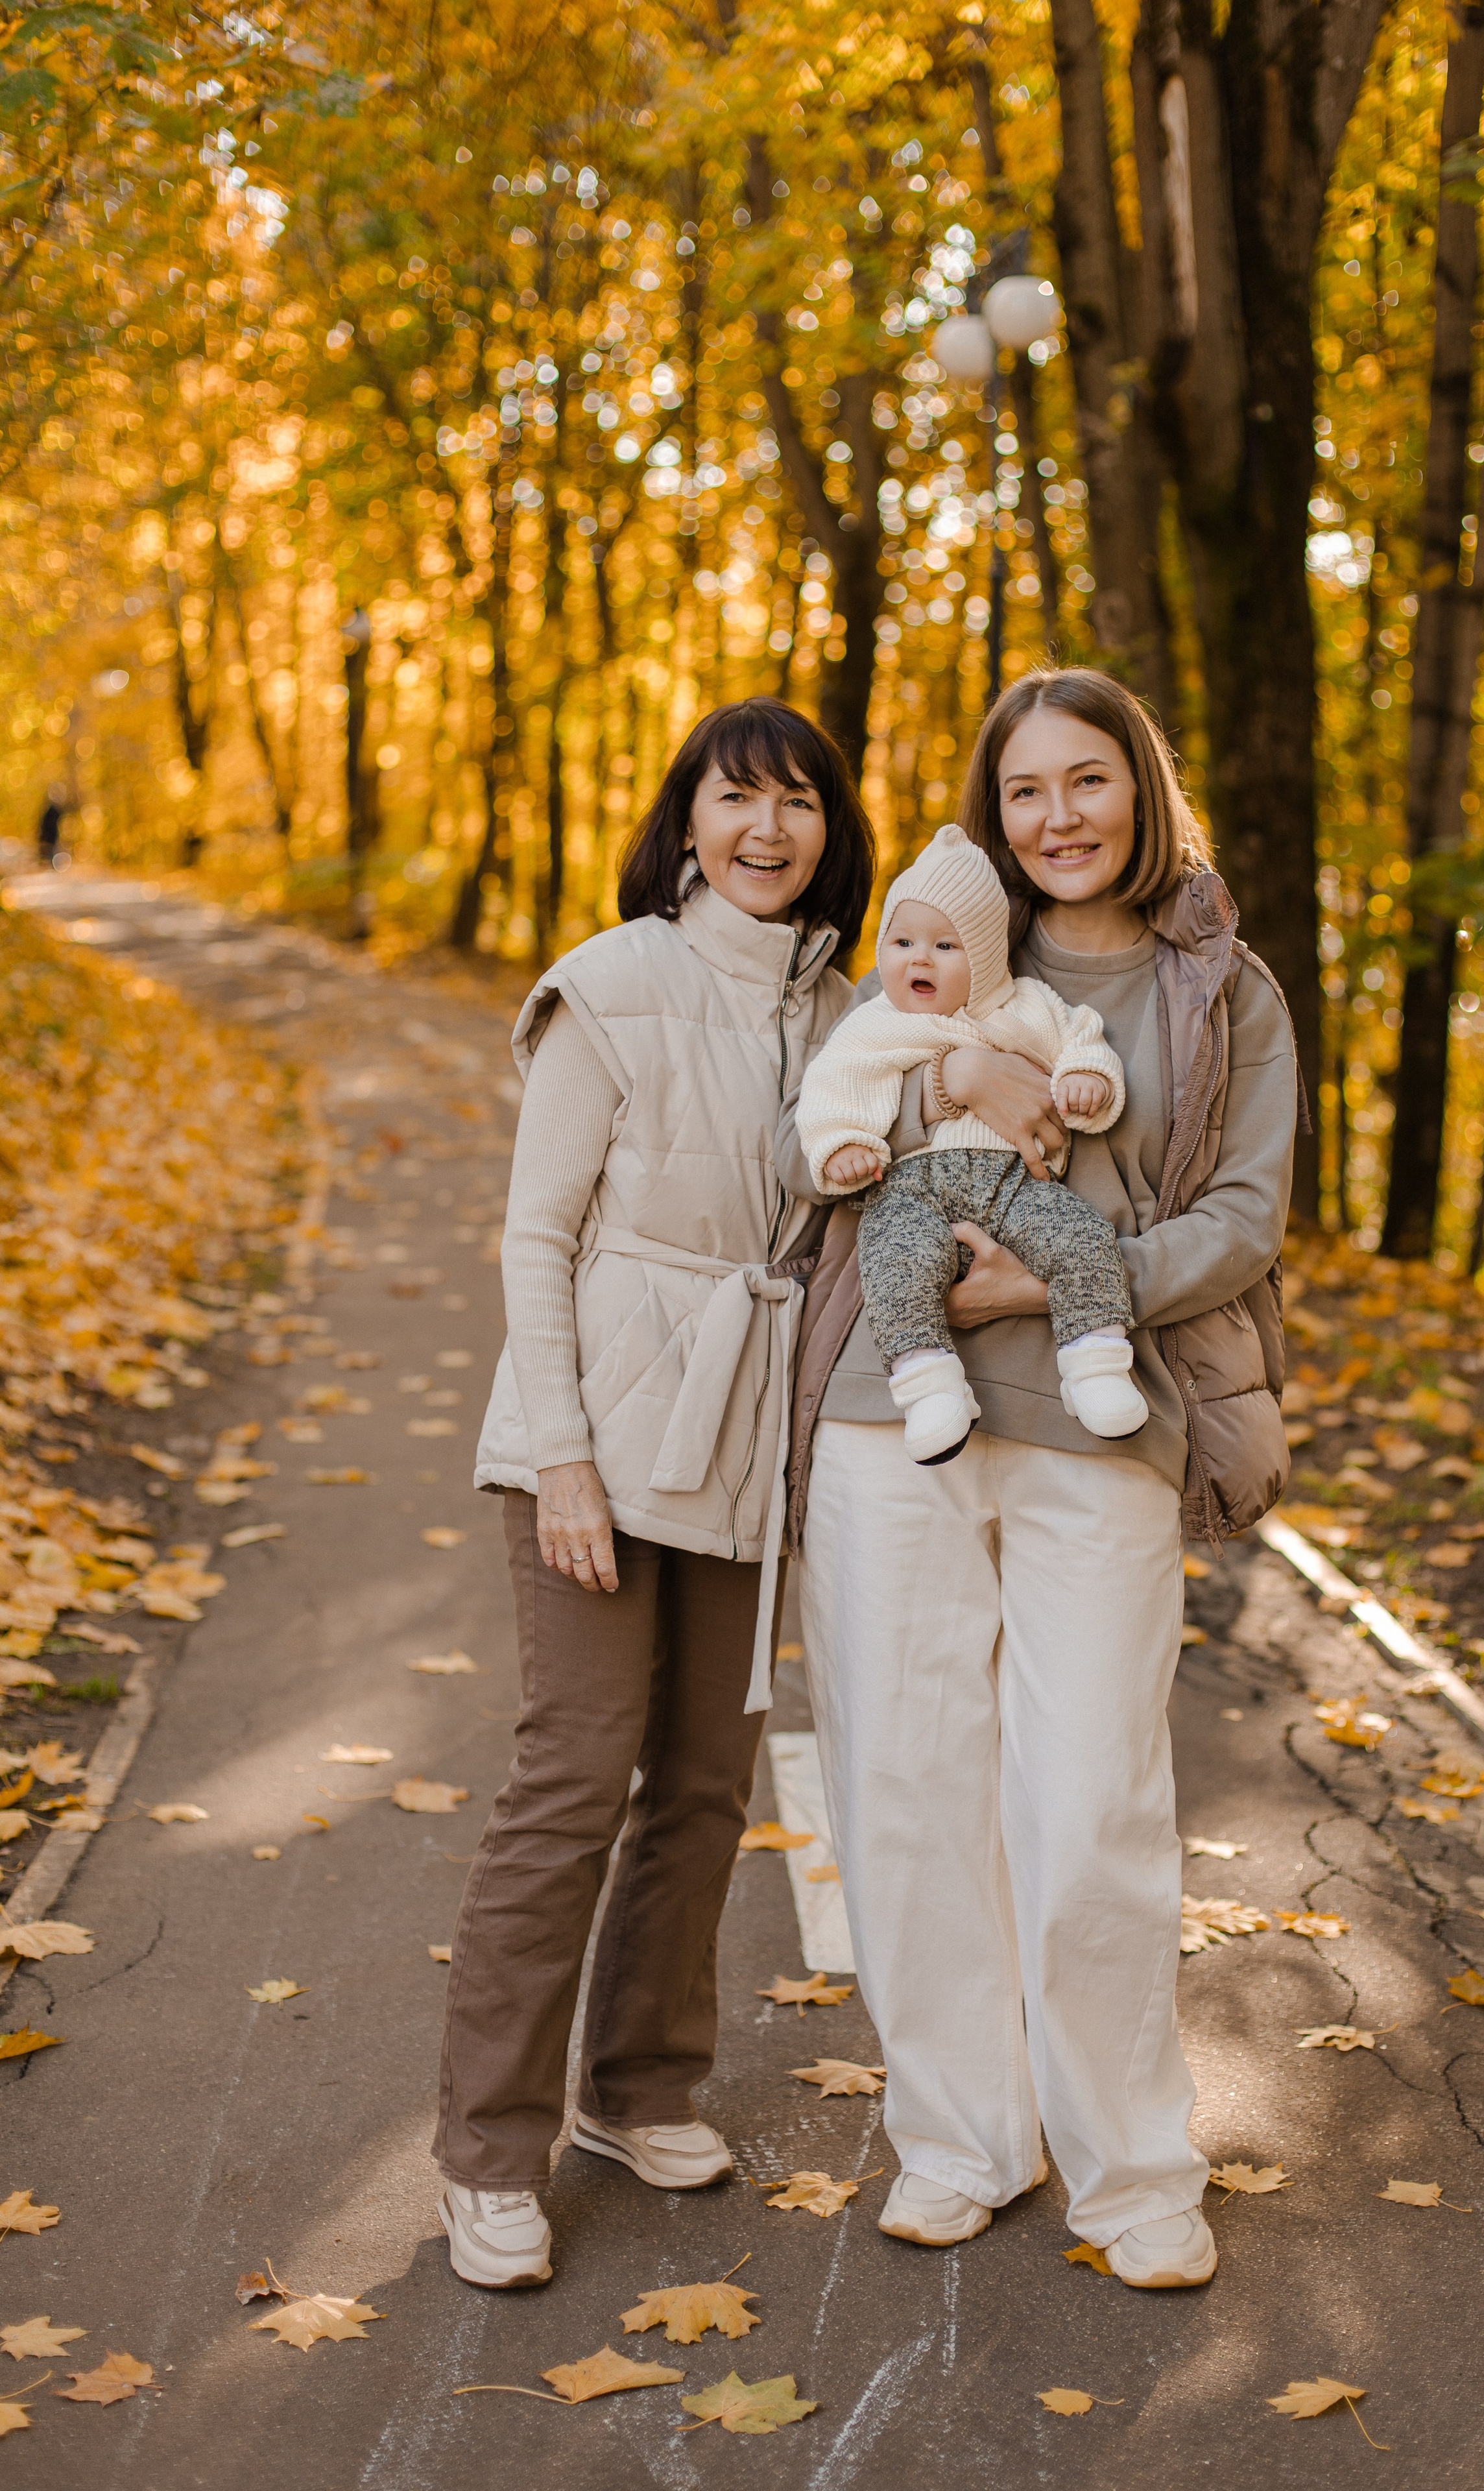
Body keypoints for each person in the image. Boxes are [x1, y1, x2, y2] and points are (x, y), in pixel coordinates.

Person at [777, 667, 1299, 2285]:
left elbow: (1242, 1213)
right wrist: (943, 1079)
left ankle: (1131, 2167)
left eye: (1087, 781)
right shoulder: (933, 955)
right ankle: (957, 2135)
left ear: (1140, 791)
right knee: (906, 1789)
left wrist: (1064, 1278)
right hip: (892, 1405)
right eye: (1023, 791)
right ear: (988, 815)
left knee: (1088, 1803)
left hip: (1099, 1415)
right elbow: (826, 1103)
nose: (1056, 816)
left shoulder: (1223, 988)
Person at [434, 696, 874, 2290]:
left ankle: (638, 2089)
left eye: (798, 804)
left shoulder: (850, 1014)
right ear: (683, 820)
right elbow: (533, 1234)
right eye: (734, 798)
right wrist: (560, 1450)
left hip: (747, 1441)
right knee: (572, 1775)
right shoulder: (608, 982)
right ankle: (488, 2150)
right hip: (601, 1442)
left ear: (833, 829)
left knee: (703, 1781)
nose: (767, 830)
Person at [794, 823, 1145, 1461]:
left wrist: (1087, 1078)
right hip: (906, 1193)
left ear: (984, 957)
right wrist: (842, 1143)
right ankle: (928, 1387)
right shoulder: (873, 1023)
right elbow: (829, 1090)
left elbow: (1081, 1037)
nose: (918, 958)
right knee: (895, 1261)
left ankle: (1095, 1364)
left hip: (1015, 1186)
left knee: (1082, 1238)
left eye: (944, 945)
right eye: (901, 942)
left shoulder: (1027, 1006)